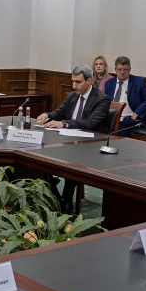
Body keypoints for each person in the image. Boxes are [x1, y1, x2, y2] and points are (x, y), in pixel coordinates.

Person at [37, 64, 110, 212]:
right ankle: (55, 194)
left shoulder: (102, 99)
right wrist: (47, 115)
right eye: (73, 81)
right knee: (41, 157)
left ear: (89, 81)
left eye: (78, 82)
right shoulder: (71, 96)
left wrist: (64, 124)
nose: (74, 86)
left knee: (73, 161)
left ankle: (67, 200)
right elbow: (58, 113)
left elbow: (90, 123)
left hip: (90, 144)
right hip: (68, 140)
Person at [102, 56, 146, 136]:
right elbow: (105, 101)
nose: (122, 72)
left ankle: (119, 144)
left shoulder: (138, 82)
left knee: (118, 127)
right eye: (120, 69)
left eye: (125, 69)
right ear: (115, 69)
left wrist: (136, 114)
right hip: (112, 115)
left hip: (129, 117)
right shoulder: (109, 83)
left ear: (130, 69)